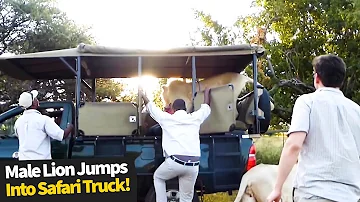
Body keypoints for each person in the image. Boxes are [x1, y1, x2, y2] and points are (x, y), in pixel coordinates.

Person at [266, 54, 360, 202]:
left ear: (317, 77)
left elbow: (293, 146)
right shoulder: (356, 110)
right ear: (341, 80)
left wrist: (277, 188)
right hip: (350, 195)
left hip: (314, 193)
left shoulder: (307, 102)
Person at [139, 87, 212, 202]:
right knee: (186, 198)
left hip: (175, 163)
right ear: (185, 108)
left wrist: (143, 94)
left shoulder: (167, 119)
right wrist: (207, 92)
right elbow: (206, 106)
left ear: (173, 108)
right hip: (193, 165)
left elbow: (151, 107)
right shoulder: (195, 118)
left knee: (158, 177)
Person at [14, 90, 74, 161]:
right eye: (35, 99)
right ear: (33, 103)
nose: (37, 99)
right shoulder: (43, 120)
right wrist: (70, 127)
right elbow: (62, 135)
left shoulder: (18, 122)